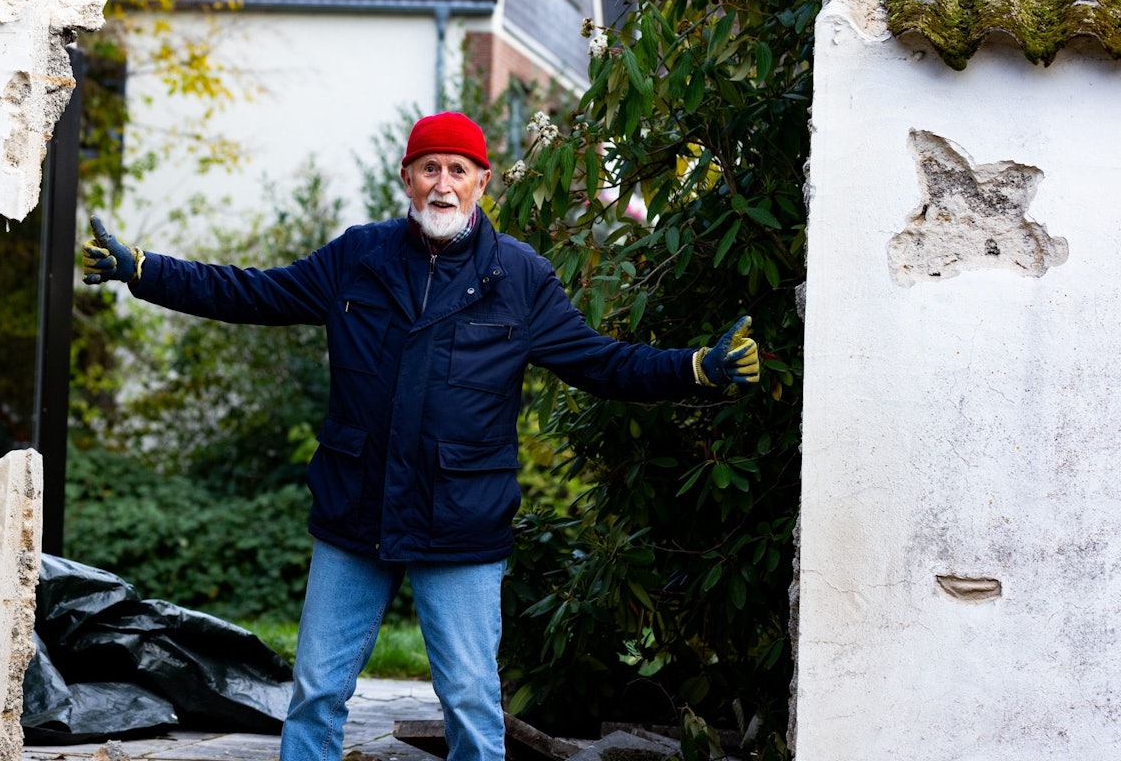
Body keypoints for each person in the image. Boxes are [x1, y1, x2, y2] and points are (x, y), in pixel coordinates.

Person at [80, 111, 759, 761]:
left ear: (482, 182)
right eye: (429, 168)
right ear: (406, 179)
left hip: (460, 522)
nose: (443, 184)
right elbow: (253, 293)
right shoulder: (357, 258)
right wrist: (144, 270)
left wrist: (697, 367)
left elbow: (602, 361)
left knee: (469, 699)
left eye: (458, 170)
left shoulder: (521, 279)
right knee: (317, 693)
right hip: (356, 511)